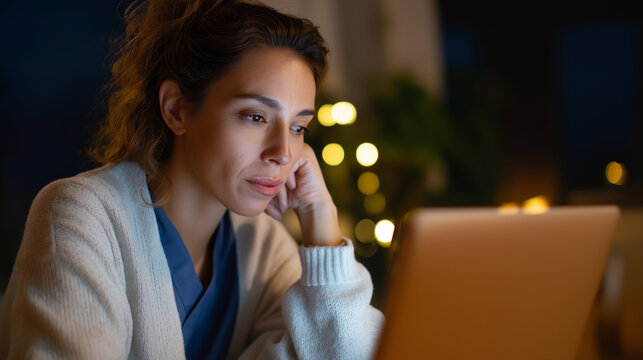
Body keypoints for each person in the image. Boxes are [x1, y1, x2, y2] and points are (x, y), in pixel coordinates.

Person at [0, 0, 384, 358]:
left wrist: (322, 226)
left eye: (299, 127)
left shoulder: (262, 246)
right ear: (177, 109)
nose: (283, 153)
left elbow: (347, 351)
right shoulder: (80, 217)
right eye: (255, 116)